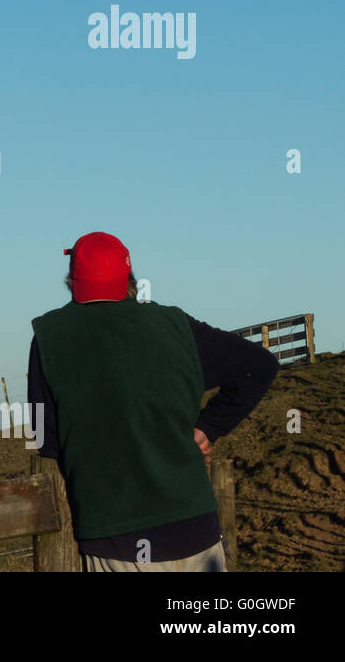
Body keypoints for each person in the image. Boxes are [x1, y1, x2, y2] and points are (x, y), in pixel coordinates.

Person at [27, 232, 278, 572]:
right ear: (130, 279)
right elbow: (259, 365)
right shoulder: (175, 325)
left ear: (72, 281)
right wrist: (206, 428)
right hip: (196, 529)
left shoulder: (49, 336)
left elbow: (47, 441)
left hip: (117, 538)